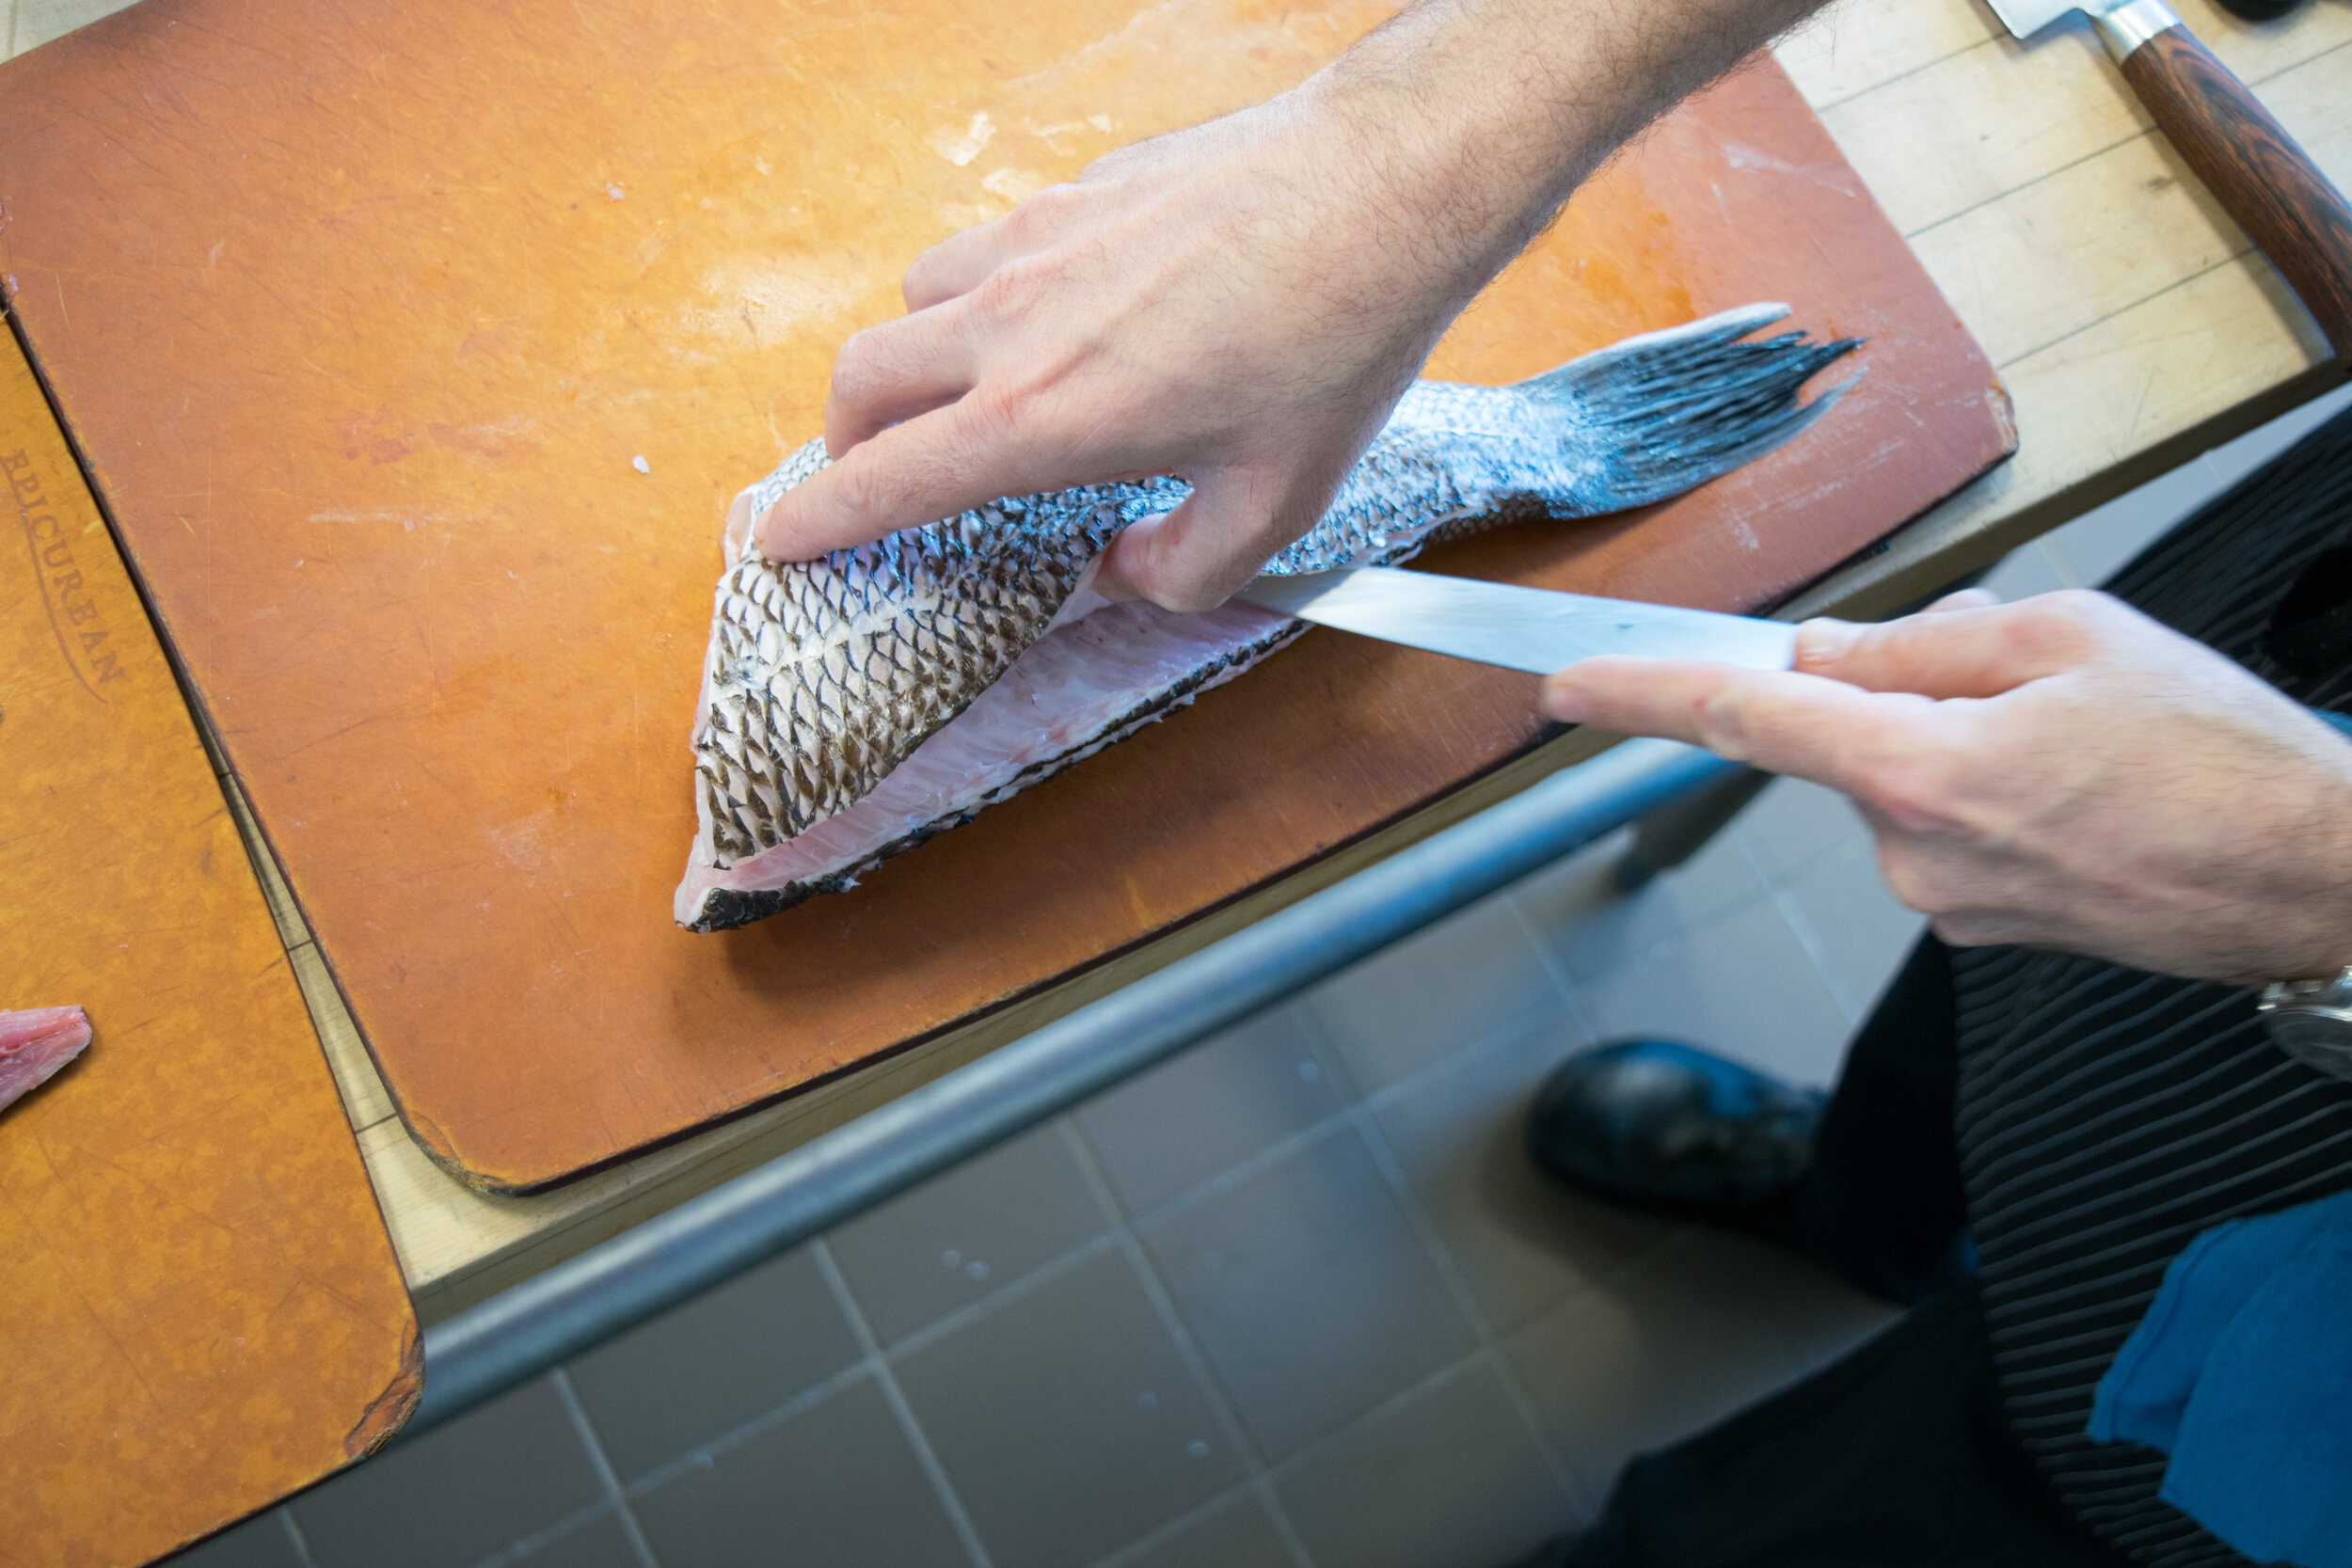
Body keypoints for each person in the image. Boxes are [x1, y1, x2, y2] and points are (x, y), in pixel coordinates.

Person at [741, 0, 2352, 1560]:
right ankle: (1855, 1199)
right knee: (2000, 972)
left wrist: (2319, 875)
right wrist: (1394, 153)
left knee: (1937, 1494)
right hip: (2259, 655)